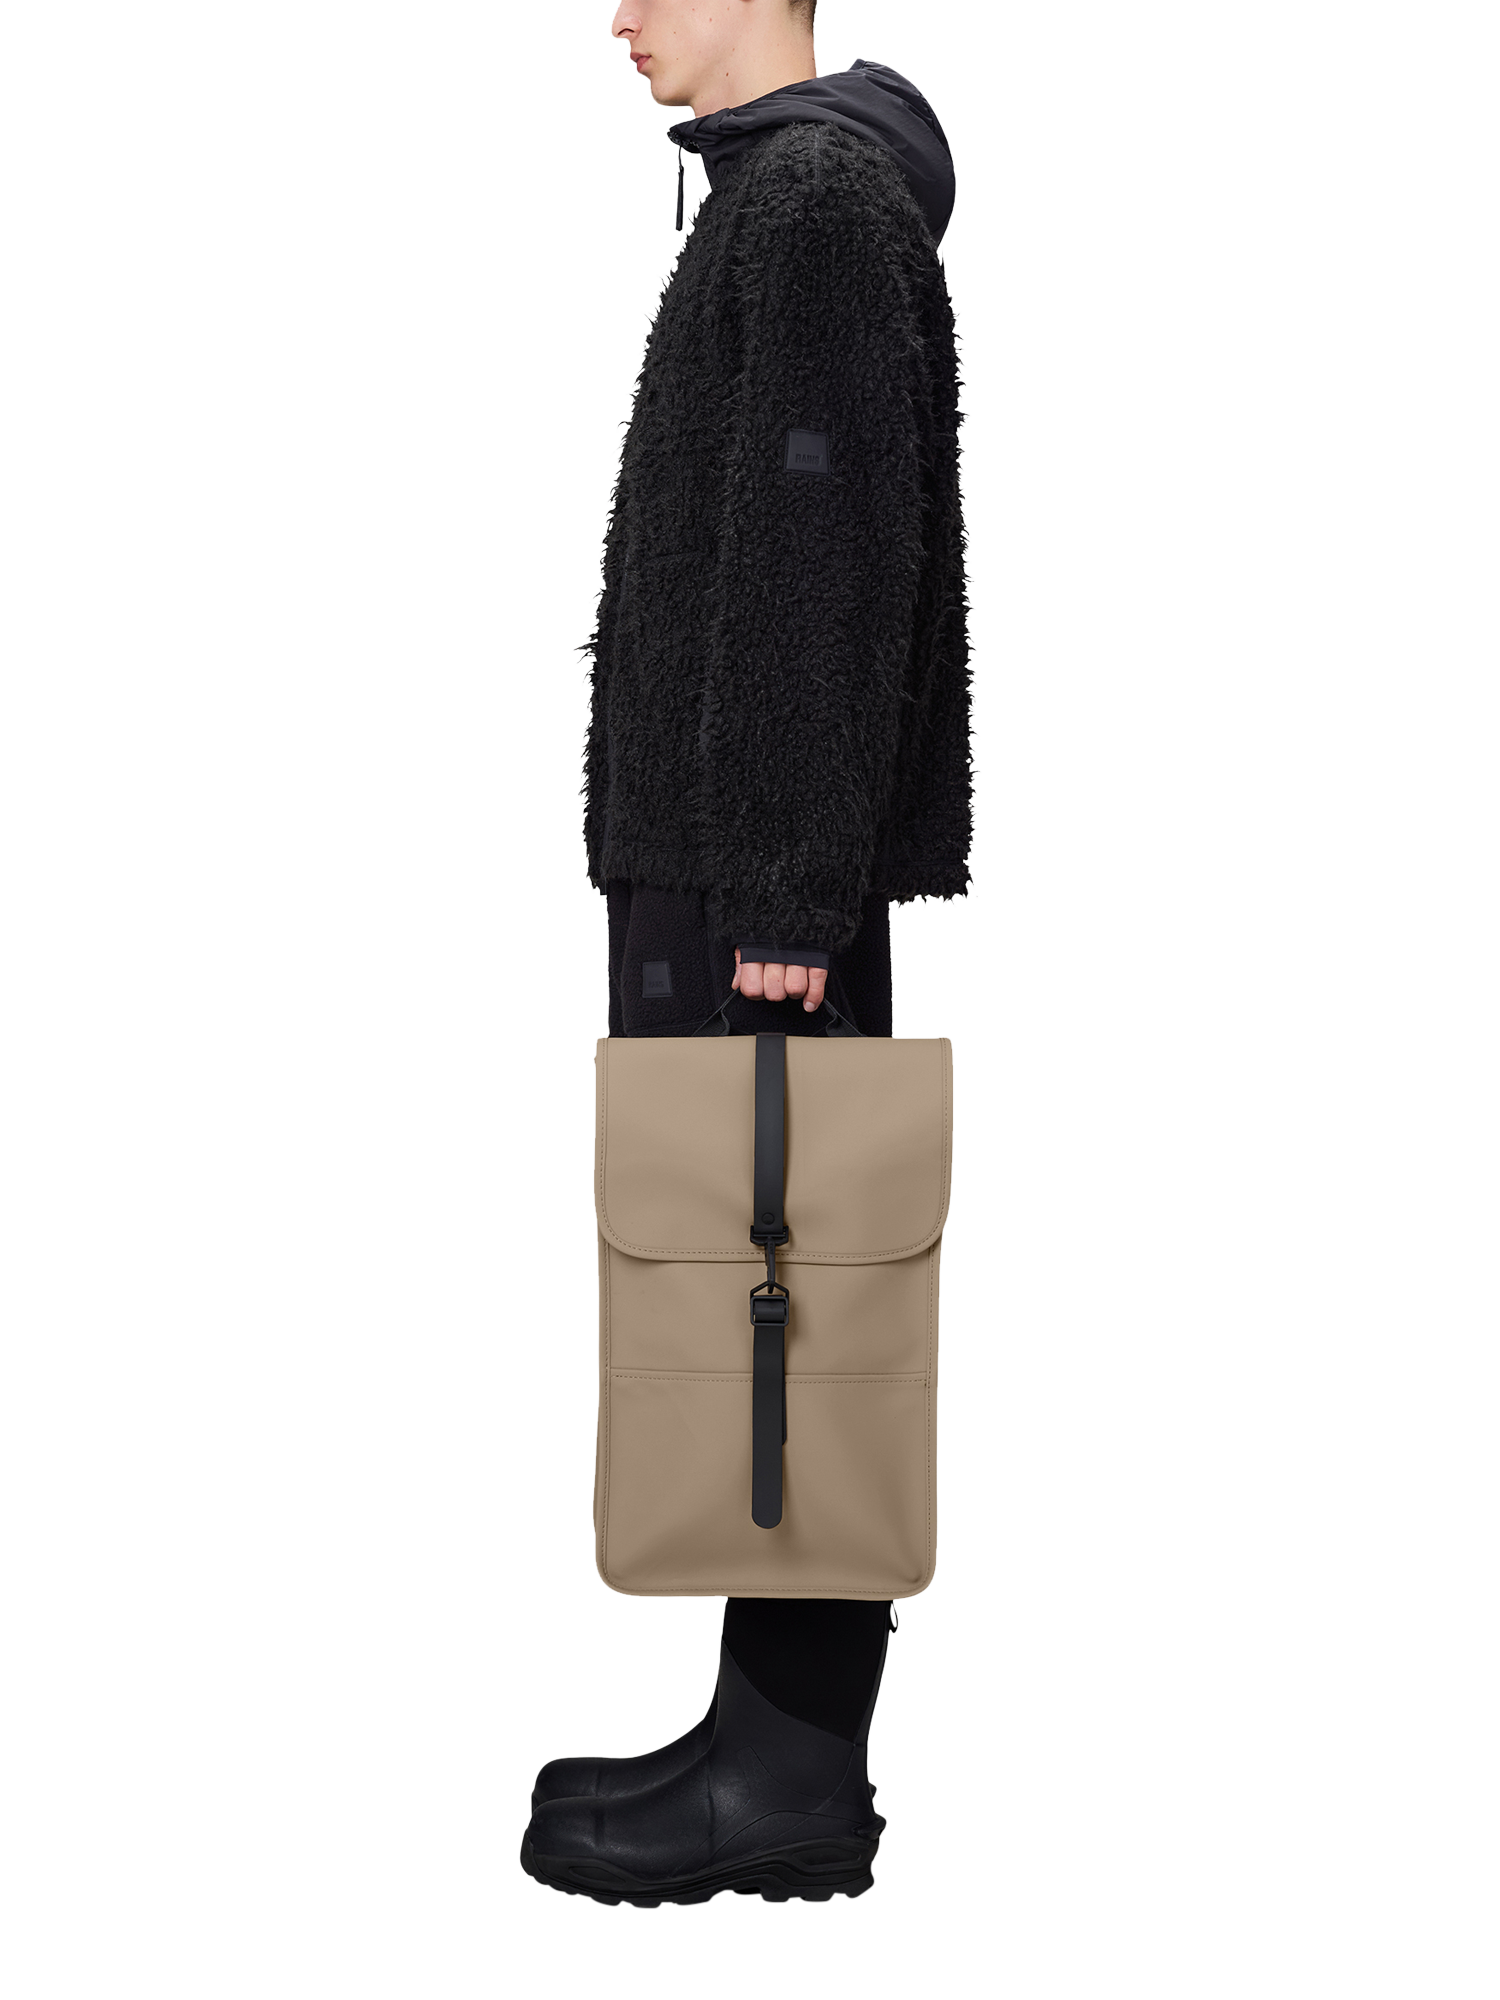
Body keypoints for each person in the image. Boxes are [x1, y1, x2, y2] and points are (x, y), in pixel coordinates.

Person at [521, 0, 971, 1905]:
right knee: (741, 1296)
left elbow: (823, 552)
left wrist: (786, 894)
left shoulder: (814, 209)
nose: (616, 17)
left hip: (753, 880)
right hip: (722, 857)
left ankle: (791, 1776)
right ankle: (757, 1730)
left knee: (797, 1294)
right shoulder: (777, 198)